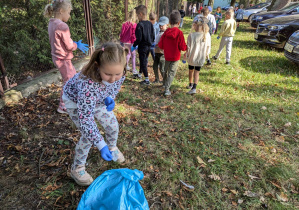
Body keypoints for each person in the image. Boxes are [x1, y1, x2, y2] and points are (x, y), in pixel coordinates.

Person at [62, 42, 128, 186]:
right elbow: (86, 118)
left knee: (112, 125)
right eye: (108, 74)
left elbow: (113, 86)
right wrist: (100, 144)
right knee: (88, 136)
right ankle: (77, 168)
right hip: (75, 101)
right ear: (98, 66)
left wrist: (110, 97)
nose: (113, 78)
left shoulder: (120, 73)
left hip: (97, 99)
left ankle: (112, 147)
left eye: (118, 73)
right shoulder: (88, 83)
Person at [44, 0, 88, 114]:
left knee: (73, 78)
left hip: (57, 57)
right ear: (61, 11)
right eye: (68, 12)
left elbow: (61, 41)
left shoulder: (52, 23)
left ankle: (71, 100)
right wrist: (76, 45)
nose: (69, 15)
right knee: (68, 82)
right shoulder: (62, 25)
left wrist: (73, 43)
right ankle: (63, 106)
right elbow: (69, 46)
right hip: (63, 59)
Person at [158, 10, 187, 96]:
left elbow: (161, 45)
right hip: (175, 57)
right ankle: (167, 89)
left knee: (165, 70)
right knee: (171, 72)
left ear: (170, 22)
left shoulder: (166, 32)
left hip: (167, 56)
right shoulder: (179, 33)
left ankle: (164, 83)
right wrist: (186, 47)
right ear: (179, 22)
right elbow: (182, 47)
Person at [185, 17, 210, 94]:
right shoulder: (206, 35)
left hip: (192, 58)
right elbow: (208, 47)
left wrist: (186, 55)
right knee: (197, 72)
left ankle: (190, 84)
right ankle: (194, 87)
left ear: (195, 25)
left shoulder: (191, 35)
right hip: (200, 58)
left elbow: (188, 47)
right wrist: (207, 55)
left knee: (191, 70)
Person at [131, 5, 155, 85]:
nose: (137, 16)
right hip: (148, 46)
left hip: (142, 47)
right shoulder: (150, 23)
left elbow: (139, 38)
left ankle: (147, 79)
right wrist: (151, 43)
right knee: (143, 60)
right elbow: (153, 35)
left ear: (140, 14)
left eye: (137, 15)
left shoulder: (140, 25)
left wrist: (134, 45)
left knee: (143, 62)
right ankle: (140, 74)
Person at [120, 9, 137, 74]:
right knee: (133, 55)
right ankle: (133, 69)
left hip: (125, 42)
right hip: (132, 42)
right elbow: (134, 34)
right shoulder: (134, 24)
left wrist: (121, 40)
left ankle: (126, 65)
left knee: (128, 54)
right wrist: (135, 41)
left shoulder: (124, 24)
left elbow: (122, 33)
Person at [153, 16, 169, 83]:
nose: (161, 26)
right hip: (157, 52)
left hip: (162, 53)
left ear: (167, 25)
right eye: (160, 25)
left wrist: (157, 45)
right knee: (155, 66)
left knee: (162, 69)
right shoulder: (159, 32)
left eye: (162, 25)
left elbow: (164, 44)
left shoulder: (166, 34)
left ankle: (165, 81)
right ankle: (157, 79)